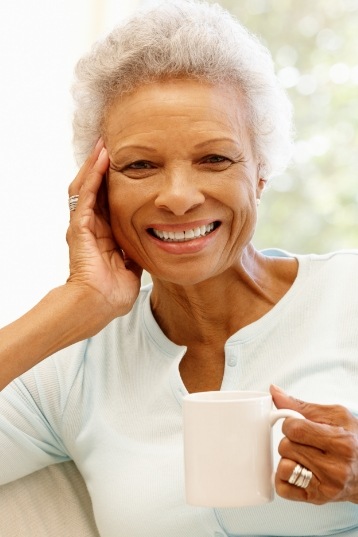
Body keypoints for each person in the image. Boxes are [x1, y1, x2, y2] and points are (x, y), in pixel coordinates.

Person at [0, 0, 357, 535]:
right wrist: (73, 304)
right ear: (98, 191)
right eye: (141, 165)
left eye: (215, 159)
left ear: (260, 172)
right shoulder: (73, 365)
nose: (180, 197)